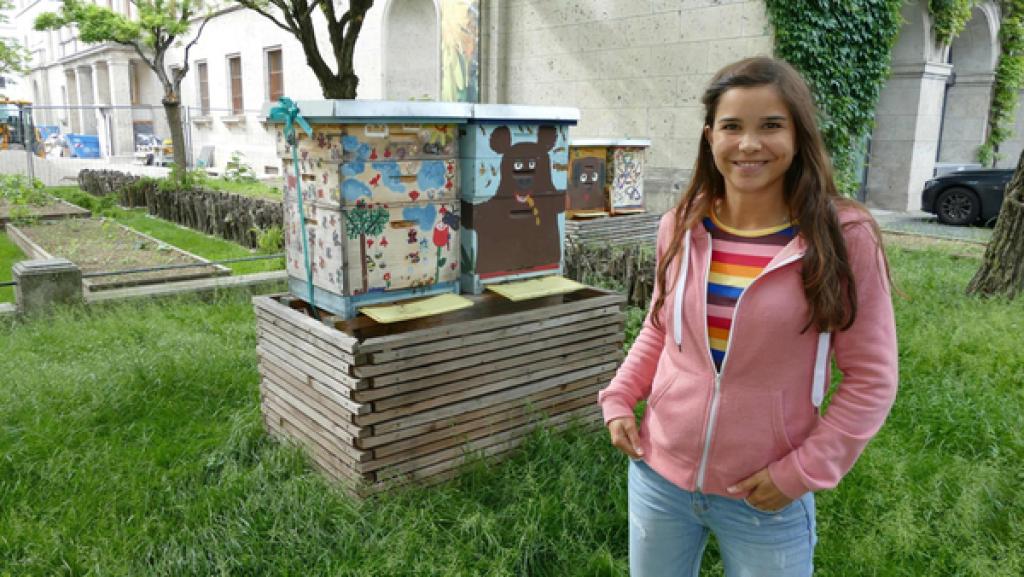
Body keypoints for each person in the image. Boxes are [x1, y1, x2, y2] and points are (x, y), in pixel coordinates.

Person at [598, 57, 898, 576]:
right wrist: (620, 397)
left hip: (765, 494)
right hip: (658, 476)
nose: (749, 144)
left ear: (799, 135)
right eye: (732, 126)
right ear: (710, 136)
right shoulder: (681, 225)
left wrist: (801, 472)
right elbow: (660, 328)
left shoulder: (843, 237)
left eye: (771, 126)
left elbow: (872, 377)